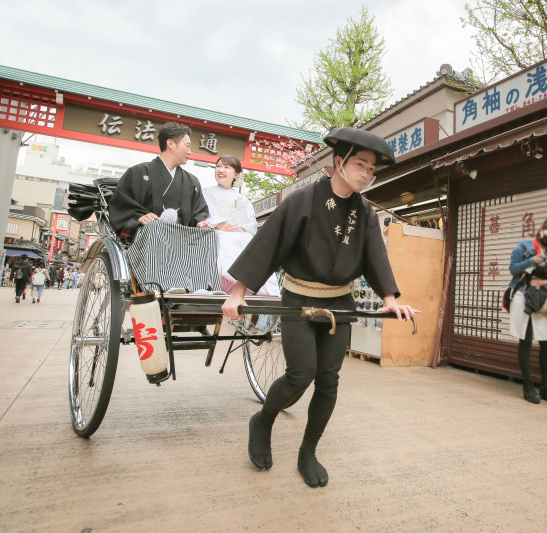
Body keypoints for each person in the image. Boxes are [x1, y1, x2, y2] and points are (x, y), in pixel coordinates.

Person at [222, 127, 420, 489]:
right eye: (361, 164)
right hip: (298, 297)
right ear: (339, 162)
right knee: (302, 373)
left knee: (329, 380)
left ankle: (308, 452)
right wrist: (238, 293)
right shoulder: (301, 201)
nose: (366, 173)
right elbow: (267, 245)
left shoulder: (364, 212)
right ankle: (263, 420)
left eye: (372, 169)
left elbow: (377, 258)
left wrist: (390, 301)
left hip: (339, 303)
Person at [108, 122, 209, 236]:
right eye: (187, 146)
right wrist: (139, 217)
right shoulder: (138, 172)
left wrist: (200, 223)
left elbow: (199, 212)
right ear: (170, 143)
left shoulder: (192, 182)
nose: (190, 152)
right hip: (147, 238)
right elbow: (123, 206)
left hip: (182, 241)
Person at [199, 155, 279, 296]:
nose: (221, 170)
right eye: (218, 166)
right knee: (226, 242)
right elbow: (201, 215)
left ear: (236, 174)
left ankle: (255, 286)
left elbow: (251, 223)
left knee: (251, 244)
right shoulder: (206, 192)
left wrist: (241, 228)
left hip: (238, 235)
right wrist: (216, 223)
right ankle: (222, 283)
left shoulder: (241, 199)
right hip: (216, 234)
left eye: (226, 167)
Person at [508, 217, 547, 404]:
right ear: (541, 231)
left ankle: (546, 385)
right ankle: (528, 385)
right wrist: (532, 260)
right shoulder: (524, 245)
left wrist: (544, 282)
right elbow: (513, 268)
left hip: (543, 300)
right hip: (523, 295)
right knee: (526, 340)